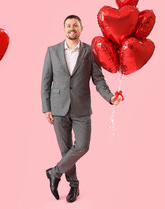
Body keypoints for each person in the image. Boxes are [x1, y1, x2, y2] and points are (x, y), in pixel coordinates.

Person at [41, 15, 122, 203]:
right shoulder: (52, 51)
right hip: (58, 108)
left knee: (82, 146)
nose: (72, 28)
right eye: (68, 25)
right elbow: (45, 82)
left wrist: (110, 97)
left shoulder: (90, 52)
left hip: (82, 107)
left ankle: (54, 172)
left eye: (75, 25)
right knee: (66, 150)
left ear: (81, 28)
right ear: (64, 29)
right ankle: (74, 186)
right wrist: (46, 108)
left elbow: (98, 80)